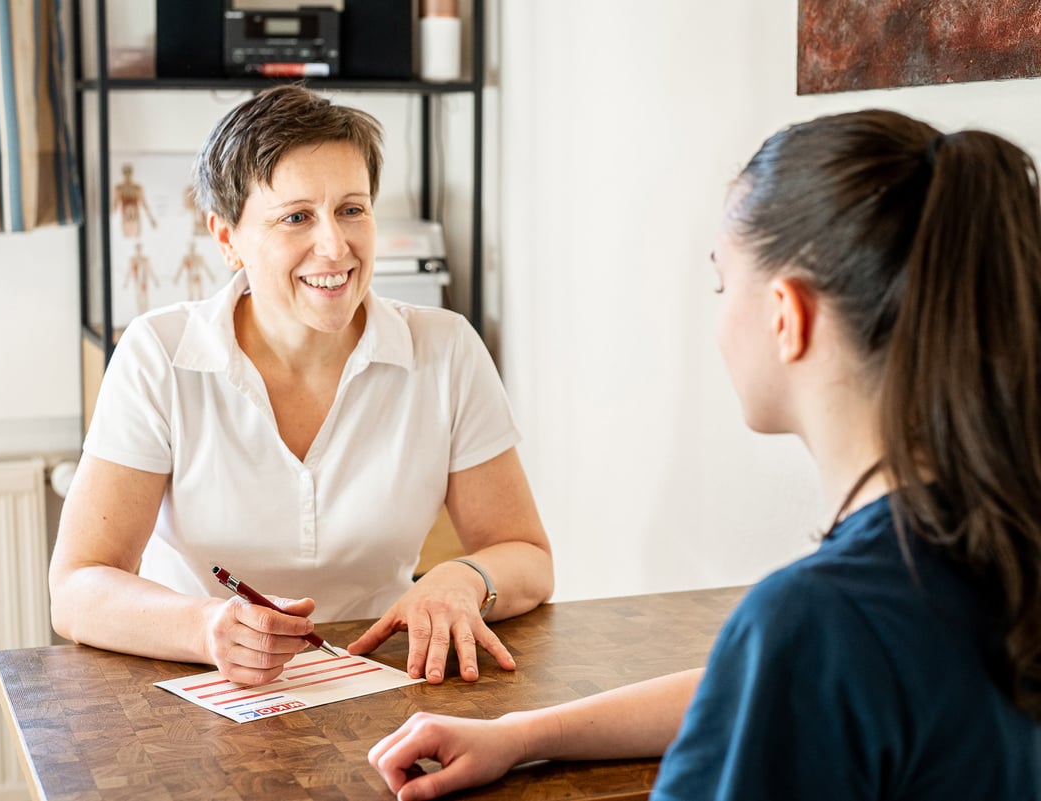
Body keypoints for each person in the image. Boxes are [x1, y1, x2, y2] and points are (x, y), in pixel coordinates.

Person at [368, 109, 1041, 800]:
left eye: (724, 286)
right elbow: (763, 684)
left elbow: (792, 665)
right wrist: (525, 733)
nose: (717, 318)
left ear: (789, 316)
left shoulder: (816, 618)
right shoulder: (990, 547)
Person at [50, 85, 553, 688]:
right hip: (201, 689)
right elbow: (78, 587)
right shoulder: (158, 353)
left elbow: (526, 556)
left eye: (352, 209)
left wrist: (462, 578)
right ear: (227, 238)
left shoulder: (445, 348)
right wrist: (207, 627)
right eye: (296, 217)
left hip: (383, 680)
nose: (335, 247)